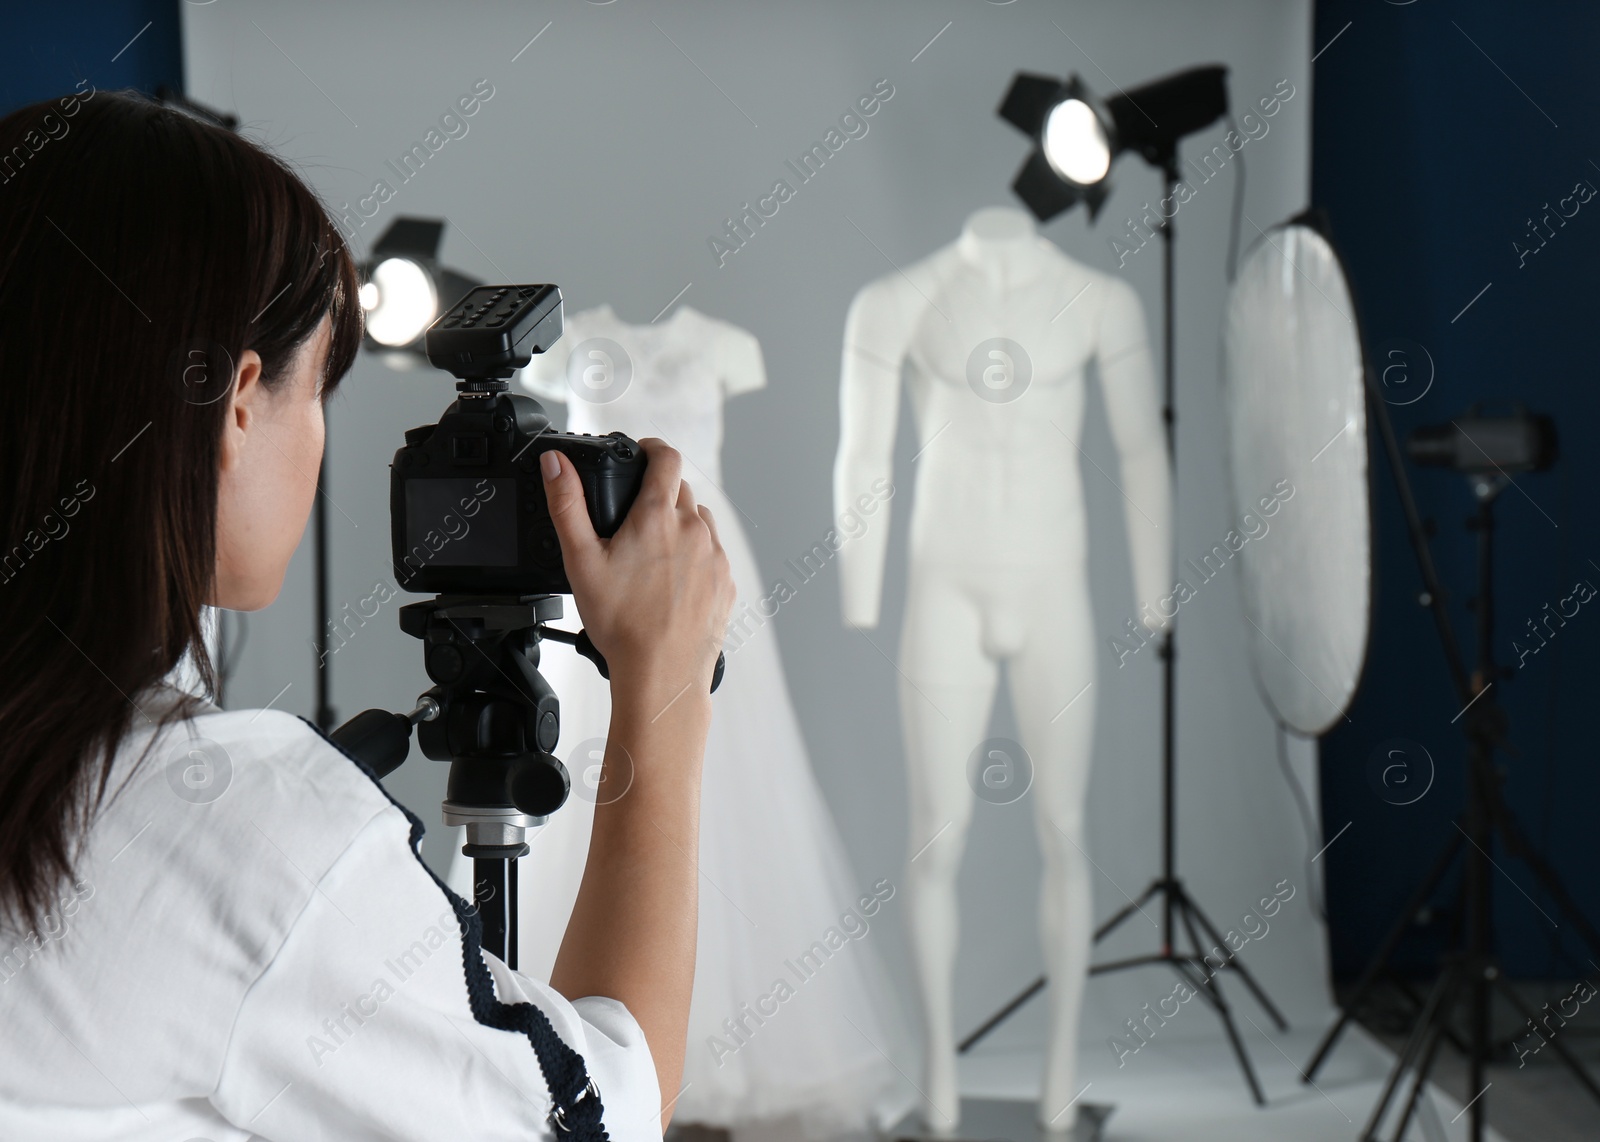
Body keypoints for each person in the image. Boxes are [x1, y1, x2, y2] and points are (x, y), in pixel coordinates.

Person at [0, 90, 733, 1142]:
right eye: (319, 390)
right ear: (238, 402)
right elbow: (594, 1119)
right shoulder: (223, 829)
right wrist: (663, 700)